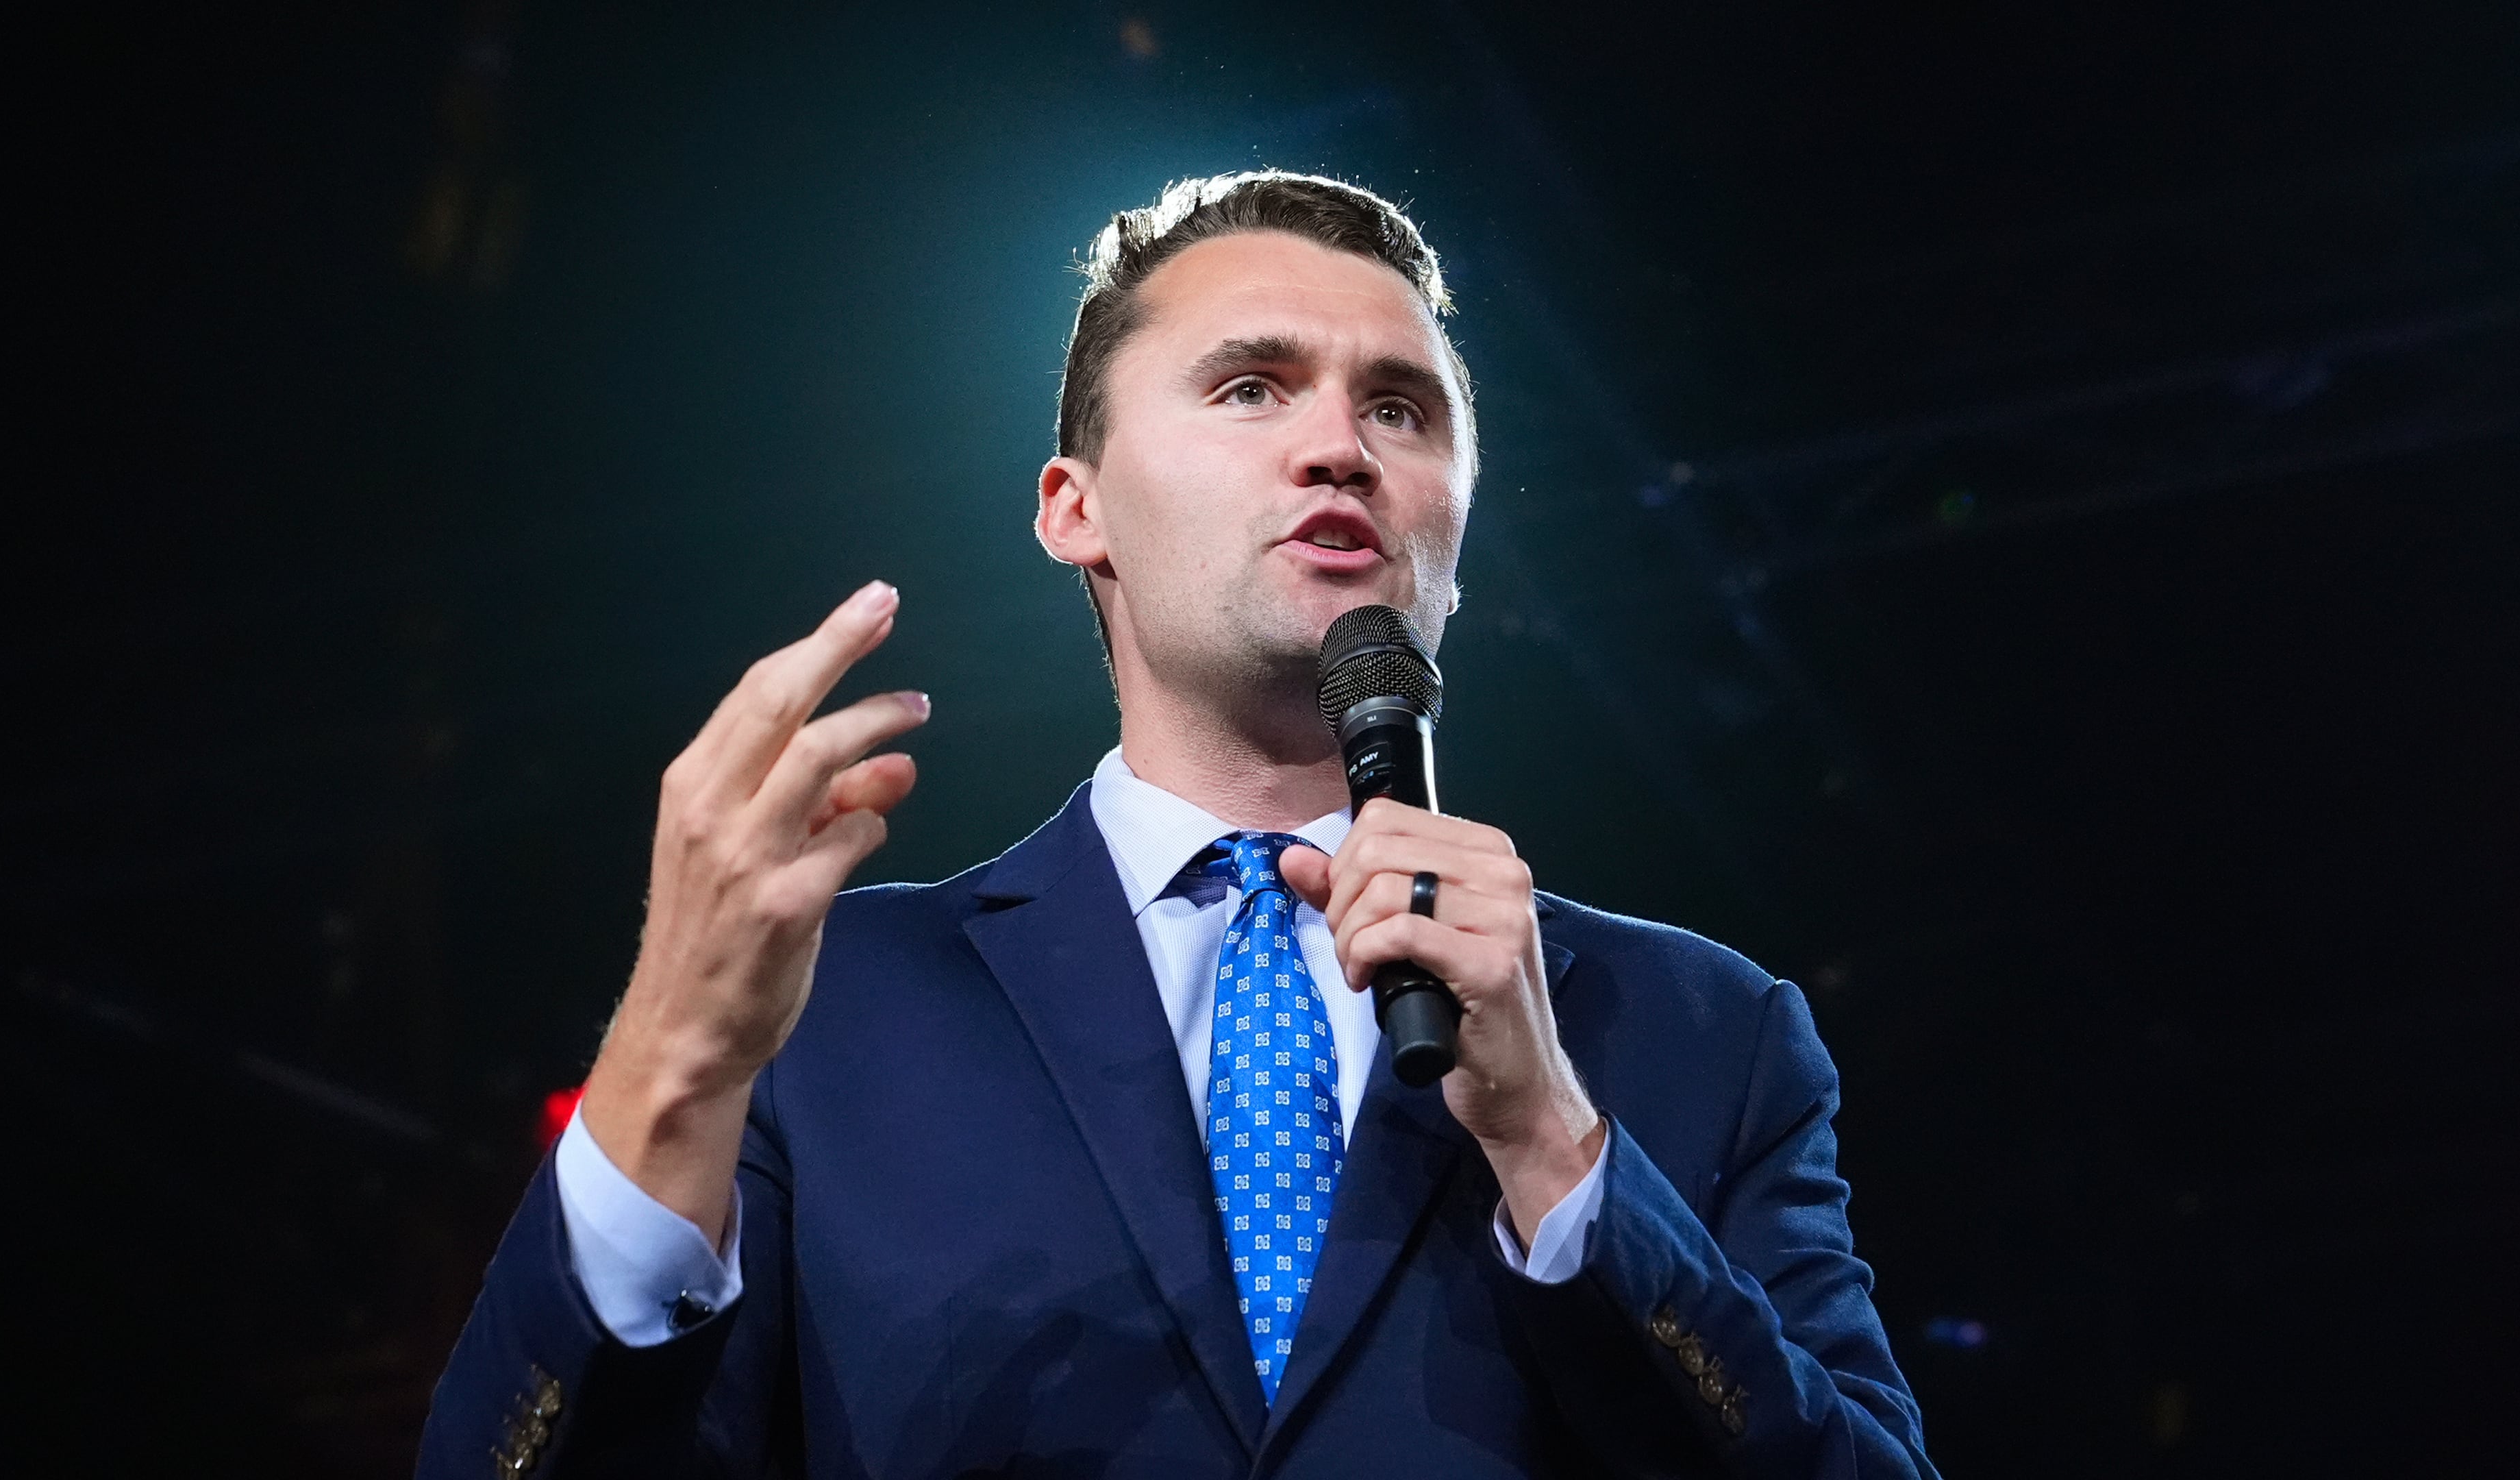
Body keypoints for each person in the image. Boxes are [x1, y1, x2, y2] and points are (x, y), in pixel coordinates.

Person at [419, 171, 1936, 1479]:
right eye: (1250, 387)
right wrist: (668, 1072)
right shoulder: (824, 1014)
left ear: (1455, 540)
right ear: (1075, 509)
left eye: (1398, 409)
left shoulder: (1702, 1033)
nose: (1341, 447)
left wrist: (1554, 1144)